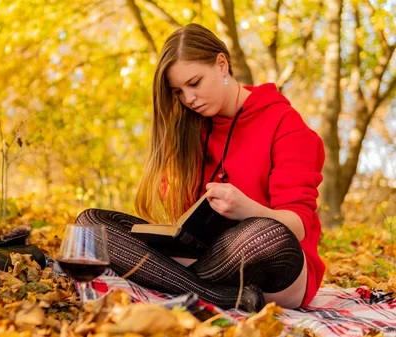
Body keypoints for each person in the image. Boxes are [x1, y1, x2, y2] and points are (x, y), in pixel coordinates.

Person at [76, 23, 325, 311]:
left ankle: (173, 282)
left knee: (265, 233)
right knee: (90, 223)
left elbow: (299, 226)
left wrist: (246, 209)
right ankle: (222, 296)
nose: (188, 99)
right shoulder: (188, 128)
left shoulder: (286, 126)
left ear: (222, 64)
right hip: (205, 263)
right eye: (178, 91)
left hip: (275, 265)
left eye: (194, 83)